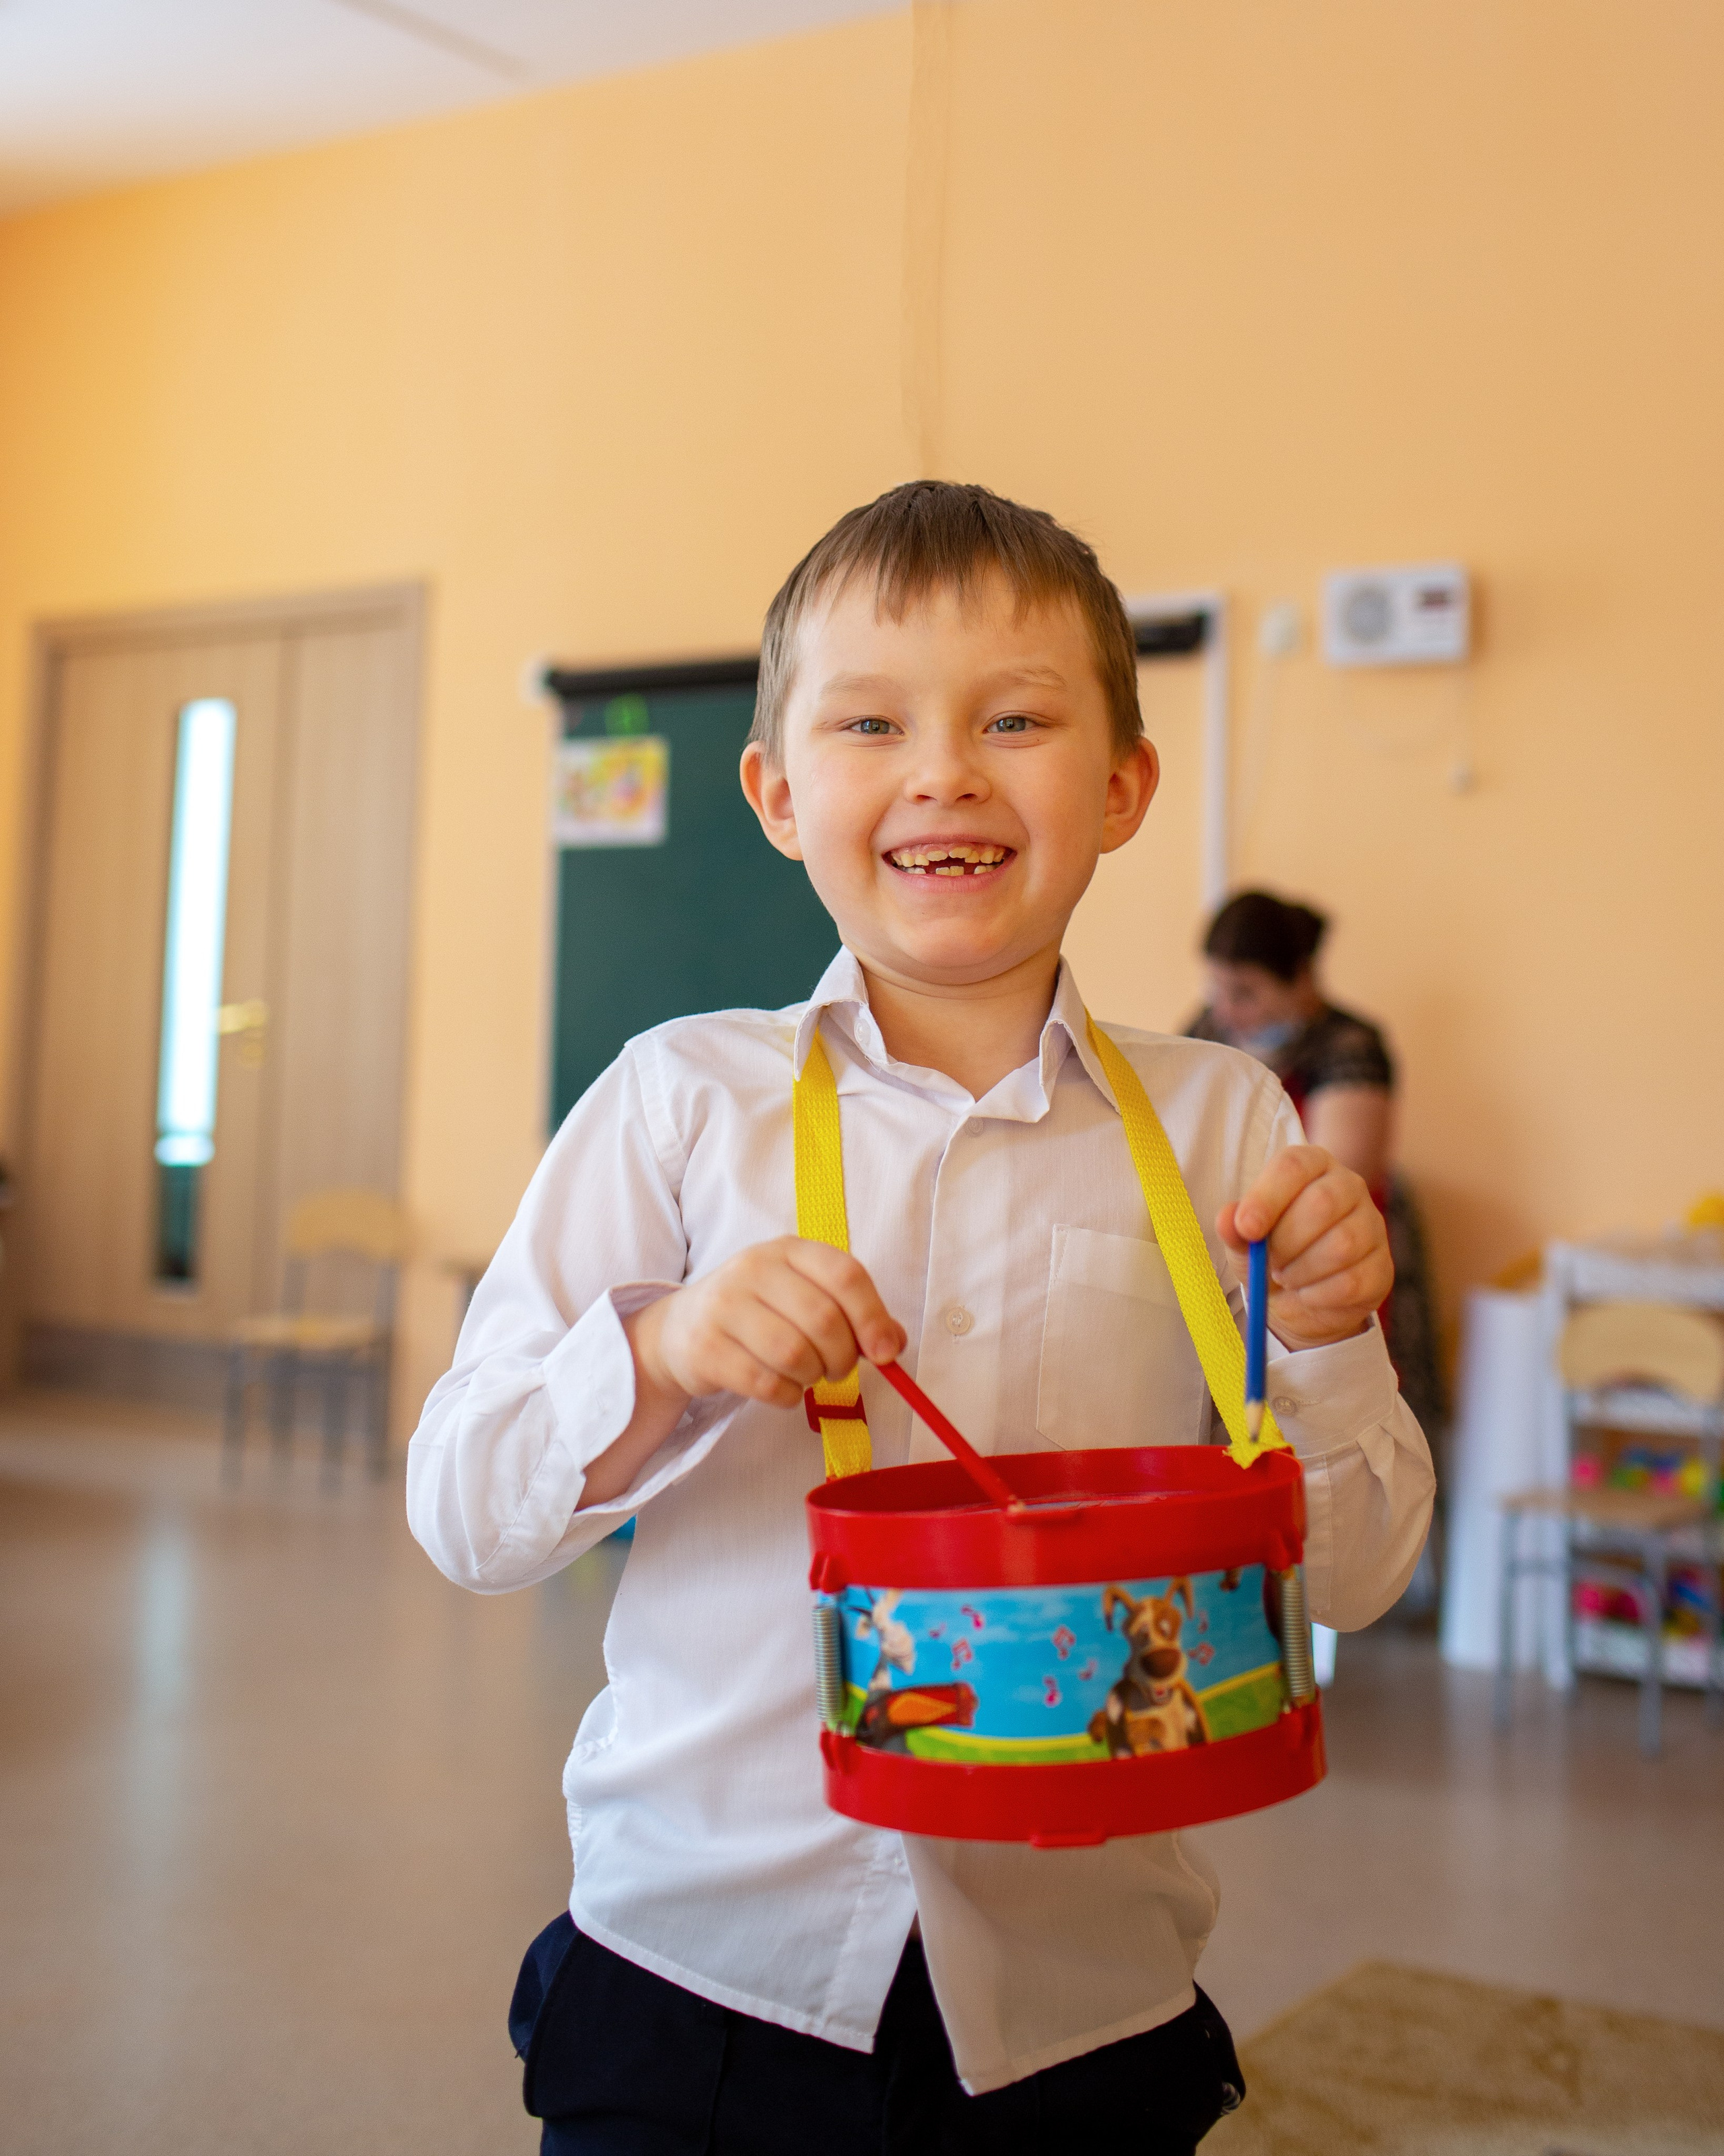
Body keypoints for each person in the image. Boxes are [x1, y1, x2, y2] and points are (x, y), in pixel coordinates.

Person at [408, 483, 1434, 2154]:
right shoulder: (679, 1102)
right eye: (869, 720)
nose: (943, 768)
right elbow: (461, 1503)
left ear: (1117, 789)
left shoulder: (1227, 1127)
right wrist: (660, 1353)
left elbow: (1359, 1574)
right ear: (775, 788)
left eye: (1014, 719)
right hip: (698, 1973)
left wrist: (1315, 1337)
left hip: (1083, 2002)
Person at [1187, 889, 1446, 1456]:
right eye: (1218, 990)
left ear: (1301, 979)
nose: (1227, 1010)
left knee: (1334, 1434)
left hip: (1319, 1264)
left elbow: (1331, 1185)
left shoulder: (1349, 1046)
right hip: (1226, 1257)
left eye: (1247, 994)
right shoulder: (1206, 1034)